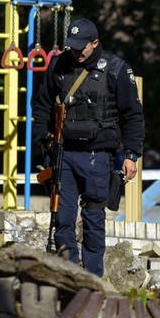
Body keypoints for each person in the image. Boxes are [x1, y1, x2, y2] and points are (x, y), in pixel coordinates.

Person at [31, 18, 144, 276]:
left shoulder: (116, 70)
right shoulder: (59, 64)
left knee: (93, 218)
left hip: (98, 156)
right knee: (63, 218)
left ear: (95, 43)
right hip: (63, 154)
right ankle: (68, 275)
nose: (76, 51)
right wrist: (44, 138)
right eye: (72, 46)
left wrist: (131, 154)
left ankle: (93, 278)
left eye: (82, 46)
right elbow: (41, 106)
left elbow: (133, 115)